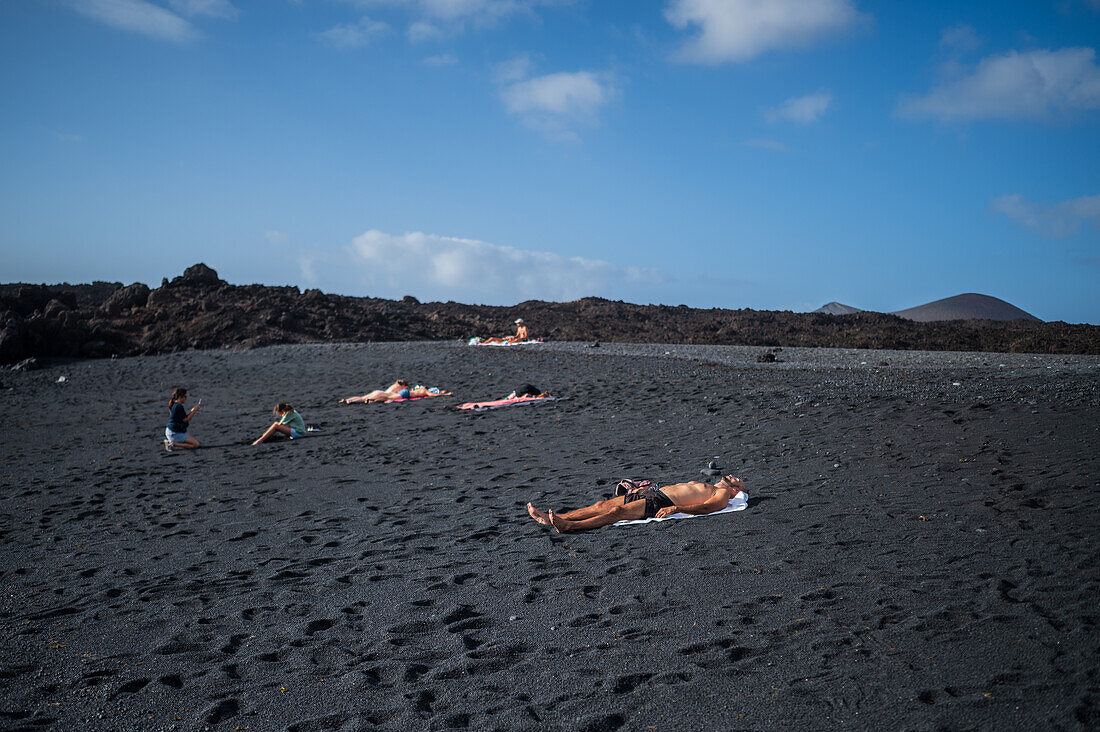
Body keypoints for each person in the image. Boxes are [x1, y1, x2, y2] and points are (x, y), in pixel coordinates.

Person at [527, 475, 746, 533]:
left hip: (663, 501)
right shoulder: (712, 485)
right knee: (601, 504)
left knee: (616, 512)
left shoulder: (722, 494)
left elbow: (707, 508)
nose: (731, 475)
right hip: (654, 493)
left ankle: (569, 526)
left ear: (736, 490)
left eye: (736, 479)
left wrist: (677, 509)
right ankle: (555, 519)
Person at [339, 380, 442, 404]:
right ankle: (353, 401)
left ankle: (348, 400)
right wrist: (443, 394)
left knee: (362, 397)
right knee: (386, 398)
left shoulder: (395, 386)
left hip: (380, 391)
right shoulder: (422, 390)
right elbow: (432, 394)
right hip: (386, 395)